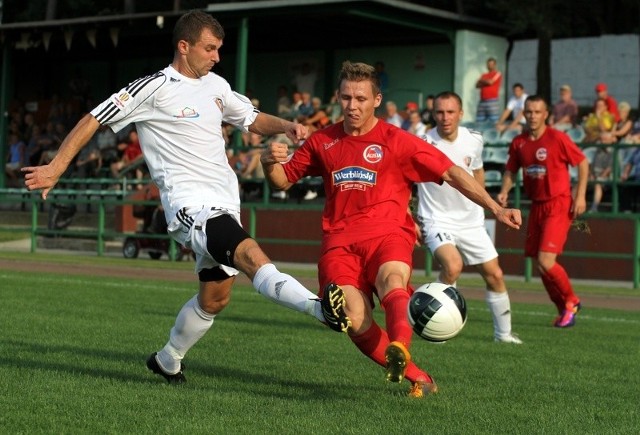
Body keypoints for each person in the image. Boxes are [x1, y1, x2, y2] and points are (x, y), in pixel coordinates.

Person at [22, 10, 349, 385]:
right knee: (250, 254)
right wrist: (57, 167)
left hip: (226, 204)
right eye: (210, 49)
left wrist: (287, 125)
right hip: (190, 207)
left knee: (214, 299)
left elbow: (252, 118)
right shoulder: (154, 87)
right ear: (184, 46)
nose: (216, 56)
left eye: (219, 49)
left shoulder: (216, 86)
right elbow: (94, 118)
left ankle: (168, 359)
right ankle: (320, 309)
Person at [261, 61, 522, 398]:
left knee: (392, 280)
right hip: (339, 243)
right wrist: (269, 161)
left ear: (377, 100)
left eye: (360, 99)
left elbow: (452, 172)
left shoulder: (397, 140)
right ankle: (416, 375)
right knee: (352, 317)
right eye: (345, 98)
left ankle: (399, 343)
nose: (352, 106)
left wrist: (496, 208)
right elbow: (282, 180)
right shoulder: (322, 141)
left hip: (389, 234)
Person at [414, 91, 522, 344]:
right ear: (433, 114)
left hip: (471, 221)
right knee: (452, 266)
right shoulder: (421, 142)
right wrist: (409, 217)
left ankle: (503, 335)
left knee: (495, 275)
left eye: (450, 112)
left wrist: (484, 208)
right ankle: (432, 322)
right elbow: (406, 180)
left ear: (461, 114)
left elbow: (477, 172)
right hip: (435, 218)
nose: (445, 117)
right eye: (439, 112)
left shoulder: (474, 139)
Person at [497, 95, 589, 328]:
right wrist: (504, 191)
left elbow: (583, 162)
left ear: (546, 114)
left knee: (546, 260)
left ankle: (572, 300)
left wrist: (580, 195)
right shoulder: (519, 142)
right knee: (540, 264)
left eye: (537, 112)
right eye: (529, 112)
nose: (532, 116)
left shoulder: (558, 138)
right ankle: (563, 311)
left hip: (558, 203)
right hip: (537, 205)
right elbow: (510, 170)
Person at [475, 57, 502, 124]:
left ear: (495, 65)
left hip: (492, 101)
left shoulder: (497, 73)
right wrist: (485, 82)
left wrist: (481, 80)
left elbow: (490, 82)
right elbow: (477, 85)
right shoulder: (484, 75)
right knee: (480, 120)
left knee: (494, 121)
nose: (490, 66)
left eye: (491, 64)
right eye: (488, 64)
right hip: (482, 101)